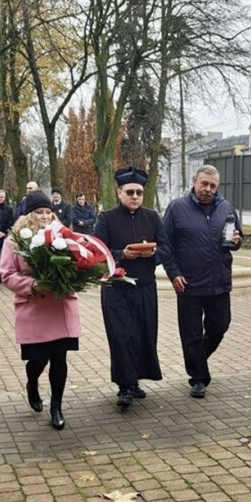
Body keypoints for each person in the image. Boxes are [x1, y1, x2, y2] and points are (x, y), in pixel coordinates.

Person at [0, 191, 79, 429]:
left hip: (59, 306)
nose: (44, 216)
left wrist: (73, 276)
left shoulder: (63, 236)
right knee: (38, 359)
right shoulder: (15, 241)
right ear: (28, 215)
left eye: (48, 212)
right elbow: (7, 274)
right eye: (39, 212)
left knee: (59, 359)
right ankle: (32, 382)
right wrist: (33, 284)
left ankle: (56, 407)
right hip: (34, 307)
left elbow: (78, 262)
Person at [162, 165, 242, 399]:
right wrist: (173, 273)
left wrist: (237, 240)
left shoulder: (226, 208)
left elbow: (238, 238)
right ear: (194, 181)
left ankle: (197, 360)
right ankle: (198, 378)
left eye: (212, 186)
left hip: (219, 282)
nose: (208, 189)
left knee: (220, 326)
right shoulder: (177, 208)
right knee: (192, 334)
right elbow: (165, 245)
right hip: (189, 284)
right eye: (204, 184)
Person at [93, 166, 170, 409]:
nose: (135, 196)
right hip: (117, 288)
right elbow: (97, 251)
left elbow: (167, 248)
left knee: (143, 335)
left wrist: (153, 253)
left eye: (139, 192)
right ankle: (124, 386)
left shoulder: (152, 217)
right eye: (130, 192)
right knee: (122, 336)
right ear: (119, 192)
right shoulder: (107, 218)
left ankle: (135, 380)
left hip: (145, 287)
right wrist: (122, 254)